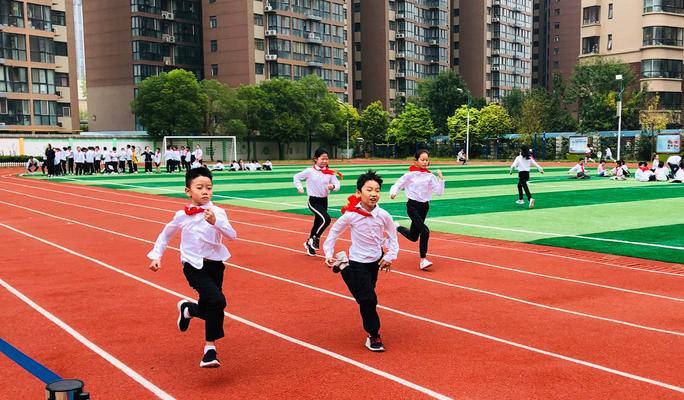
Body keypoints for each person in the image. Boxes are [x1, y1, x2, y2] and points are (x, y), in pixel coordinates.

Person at [147, 167, 237, 368]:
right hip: (193, 266)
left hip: (215, 266)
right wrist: (156, 255)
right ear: (188, 191)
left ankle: (188, 310)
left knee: (210, 306)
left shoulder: (219, 212)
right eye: (200, 187)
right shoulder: (181, 215)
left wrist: (216, 223)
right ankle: (209, 350)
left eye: (209, 188)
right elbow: (165, 234)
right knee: (217, 301)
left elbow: (232, 235)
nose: (205, 191)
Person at [323, 170, 398, 352]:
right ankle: (373, 334)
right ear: (359, 193)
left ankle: (343, 265)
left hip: (375, 261)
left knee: (364, 296)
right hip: (357, 260)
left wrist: (390, 256)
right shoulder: (351, 215)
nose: (374, 194)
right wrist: (328, 251)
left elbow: (393, 236)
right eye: (369, 190)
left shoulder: (384, 215)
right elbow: (334, 232)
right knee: (368, 299)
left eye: (377, 190)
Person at [389, 149, 445, 270]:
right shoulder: (410, 175)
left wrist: (441, 178)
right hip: (412, 206)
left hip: (424, 207)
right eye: (422, 159)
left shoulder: (430, 176)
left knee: (414, 237)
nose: (425, 162)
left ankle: (397, 227)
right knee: (425, 231)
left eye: (427, 160)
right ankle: (423, 260)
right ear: (416, 161)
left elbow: (439, 192)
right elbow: (398, 184)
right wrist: (393, 192)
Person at [293, 148, 342, 256]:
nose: (325, 161)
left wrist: (333, 186)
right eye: (322, 159)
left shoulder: (329, 173)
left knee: (317, 223)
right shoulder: (309, 171)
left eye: (327, 159)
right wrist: (299, 187)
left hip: (324, 201)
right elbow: (296, 176)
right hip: (313, 201)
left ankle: (309, 244)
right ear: (316, 159)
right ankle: (315, 238)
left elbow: (338, 185)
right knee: (327, 219)